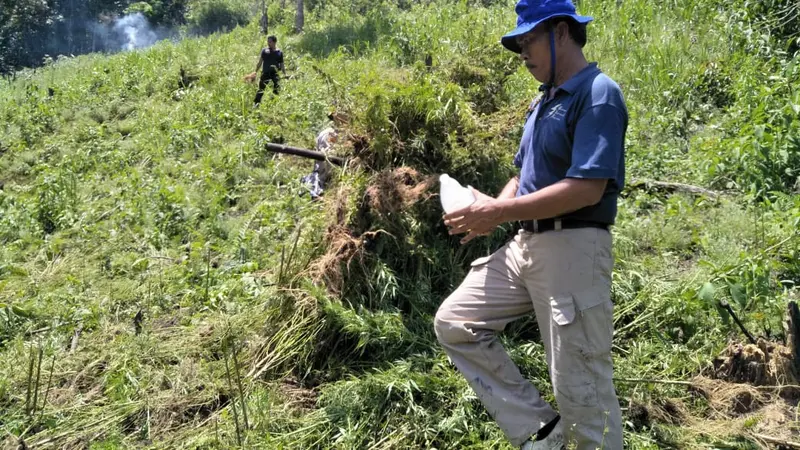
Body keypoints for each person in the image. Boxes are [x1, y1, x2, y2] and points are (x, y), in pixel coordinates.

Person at [434, 0, 628, 449]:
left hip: (573, 246)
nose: (522, 53)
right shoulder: (543, 103)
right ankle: (543, 432)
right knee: (457, 322)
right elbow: (522, 176)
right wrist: (490, 208)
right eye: (518, 43)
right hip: (525, 244)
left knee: (581, 387)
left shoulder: (597, 94)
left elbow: (587, 188)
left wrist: (499, 212)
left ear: (561, 32)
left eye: (528, 40)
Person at [253, 35, 285, 105]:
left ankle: (273, 102)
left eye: (270, 42)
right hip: (266, 73)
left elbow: (282, 64)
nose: (268, 43)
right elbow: (260, 62)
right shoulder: (265, 51)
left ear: (274, 42)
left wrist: (284, 73)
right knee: (261, 89)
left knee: (277, 87)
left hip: (275, 73)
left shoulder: (279, 52)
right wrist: (255, 71)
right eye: (268, 41)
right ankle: (256, 104)